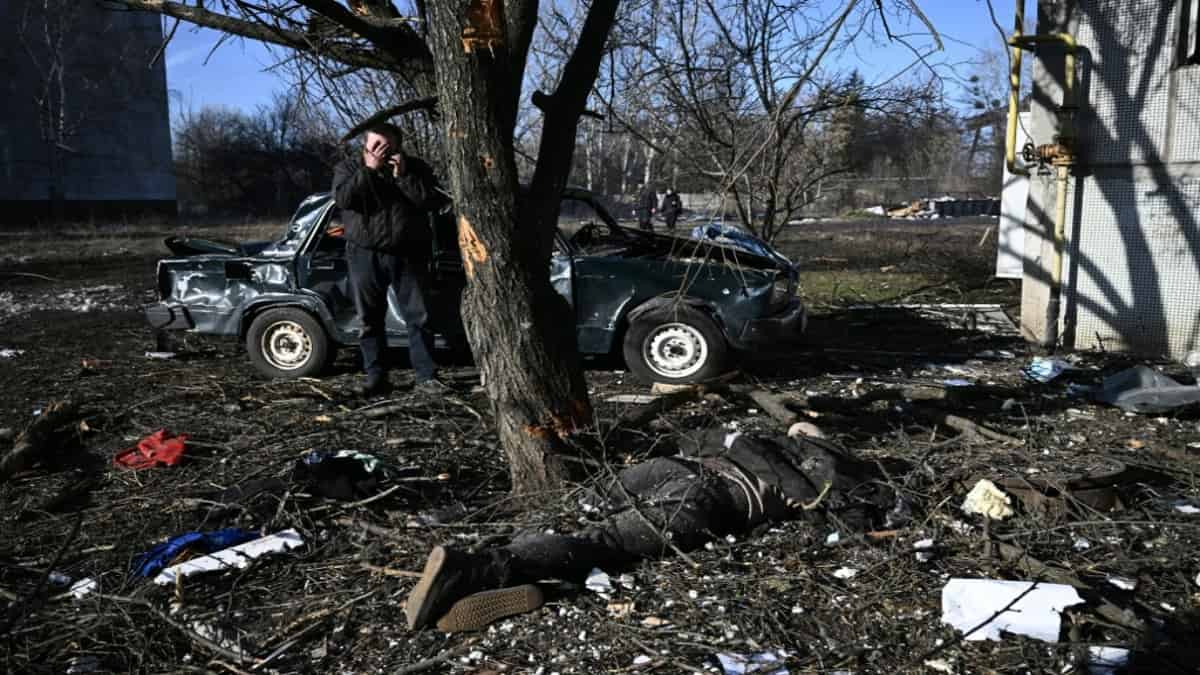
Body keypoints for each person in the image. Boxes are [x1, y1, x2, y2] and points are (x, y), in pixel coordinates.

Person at [404, 428, 900, 632]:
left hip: (688, 475)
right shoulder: (818, 469)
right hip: (710, 498)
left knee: (584, 511)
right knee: (604, 539)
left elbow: (700, 437)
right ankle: (487, 568)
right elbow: (840, 516)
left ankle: (503, 564)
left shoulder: (778, 448)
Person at [332, 123, 447, 397]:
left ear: (398, 146)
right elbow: (344, 199)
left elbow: (432, 202)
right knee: (369, 318)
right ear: (365, 146)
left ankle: (426, 376)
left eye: (386, 146)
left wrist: (403, 176)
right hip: (365, 252)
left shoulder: (416, 168)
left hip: (408, 252)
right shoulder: (348, 168)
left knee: (419, 316)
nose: (380, 151)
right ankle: (376, 376)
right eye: (375, 145)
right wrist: (369, 169)